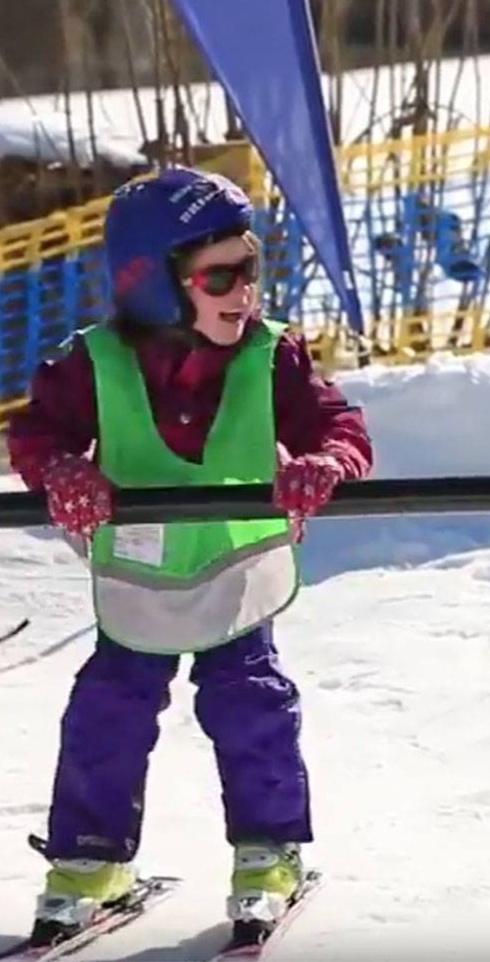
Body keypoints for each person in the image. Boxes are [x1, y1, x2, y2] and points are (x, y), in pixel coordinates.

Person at [6, 167, 372, 946]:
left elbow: (339, 425)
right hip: (141, 582)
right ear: (154, 284)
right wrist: (62, 470)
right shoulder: (91, 361)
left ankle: (267, 854)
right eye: (220, 275)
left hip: (237, 577)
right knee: (105, 715)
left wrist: (326, 462)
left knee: (252, 709)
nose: (244, 291)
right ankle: (88, 863)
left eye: (252, 267)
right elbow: (36, 433)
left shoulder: (273, 357)